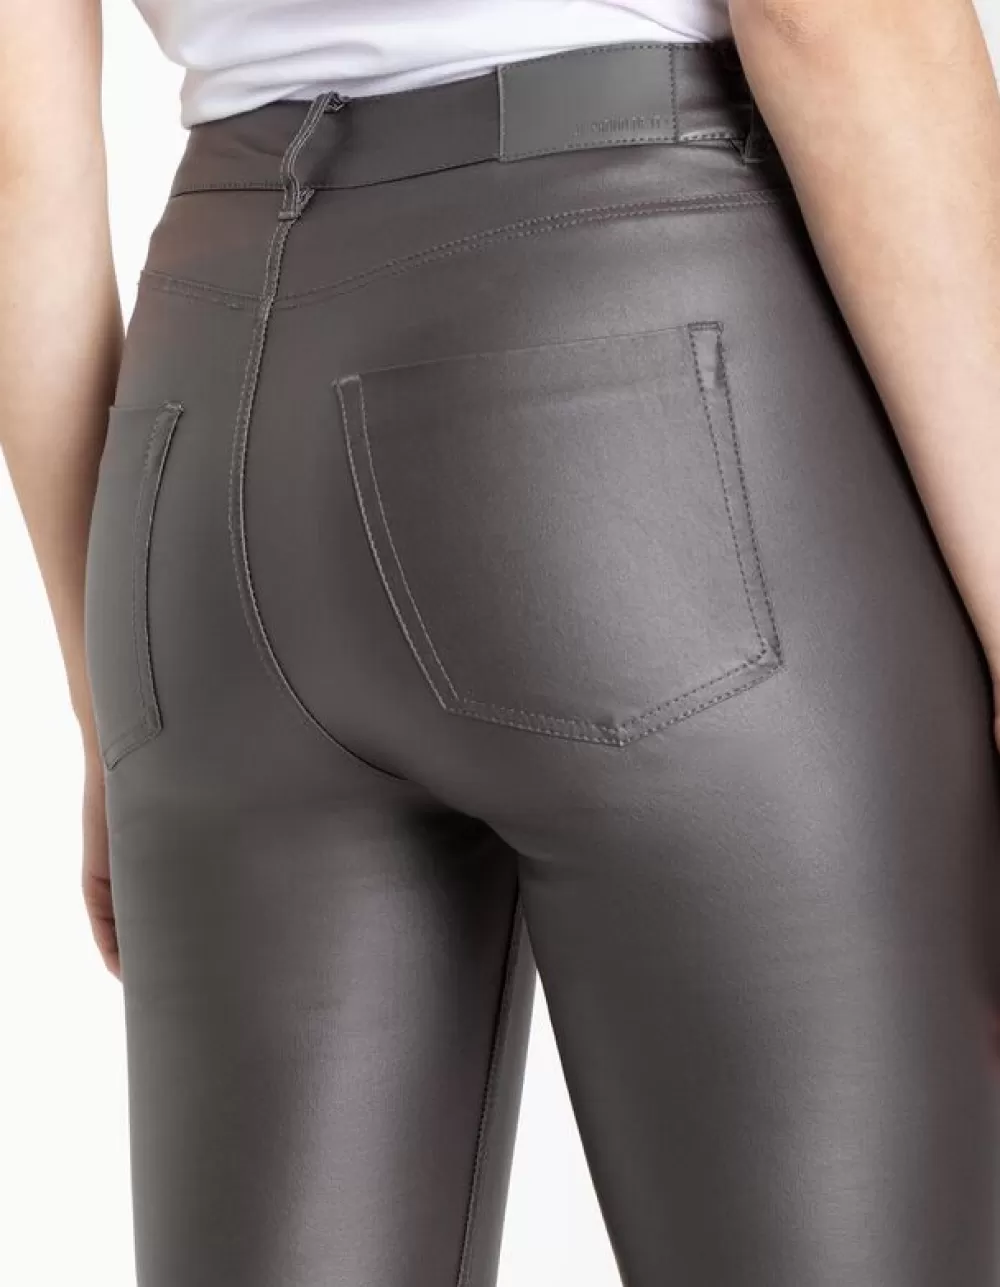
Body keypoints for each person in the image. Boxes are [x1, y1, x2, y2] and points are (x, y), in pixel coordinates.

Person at [3, 0, 1000, 1283]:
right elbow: (833, 20)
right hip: (633, 371)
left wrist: (111, 700)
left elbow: (19, 141)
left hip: (206, 431)